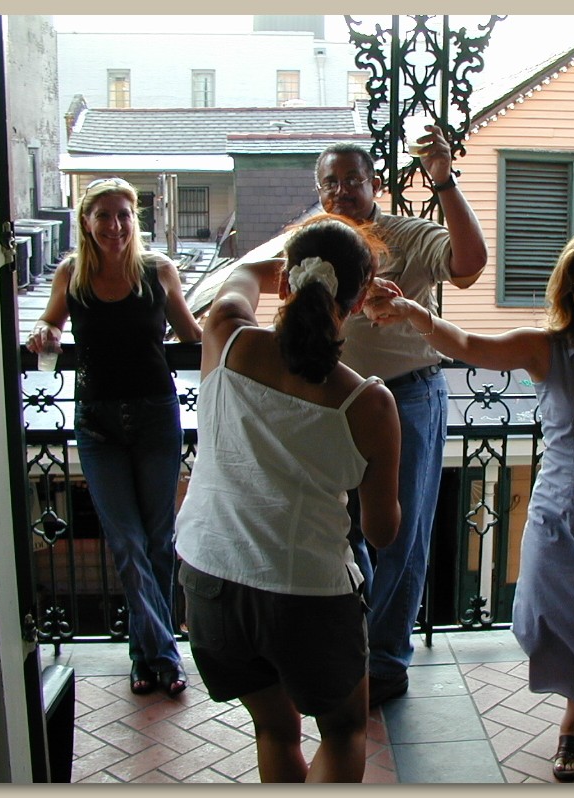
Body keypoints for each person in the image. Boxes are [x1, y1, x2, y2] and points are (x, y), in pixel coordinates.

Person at [366, 226, 574, 781]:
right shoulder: (545, 347)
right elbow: (468, 347)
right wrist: (414, 313)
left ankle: (571, 725)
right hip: (562, 514)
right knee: (553, 617)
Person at [173, 214, 402, 783]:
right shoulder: (368, 404)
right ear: (357, 302)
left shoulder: (226, 337)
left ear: (285, 281)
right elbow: (381, 532)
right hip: (308, 596)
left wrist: (299, 257)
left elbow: (241, 272)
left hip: (211, 579)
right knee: (344, 731)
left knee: (274, 729)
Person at [315, 122, 488, 707]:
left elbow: (469, 262)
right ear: (319, 190)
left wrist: (443, 180)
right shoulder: (313, 241)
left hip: (408, 398)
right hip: (335, 403)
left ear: (374, 185)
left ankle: (385, 662)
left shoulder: (408, 235)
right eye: (331, 182)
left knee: (401, 535)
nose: (341, 191)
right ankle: (356, 644)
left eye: (353, 180)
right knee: (340, 529)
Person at [26, 176, 203, 697]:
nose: (115, 225)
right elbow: (51, 322)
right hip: (96, 422)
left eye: (124, 214)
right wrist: (46, 331)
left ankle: (143, 658)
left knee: (157, 541)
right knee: (126, 542)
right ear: (86, 221)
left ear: (134, 220)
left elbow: (191, 335)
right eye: (103, 215)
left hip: (156, 417)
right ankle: (166, 656)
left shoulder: (158, 270)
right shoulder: (72, 273)